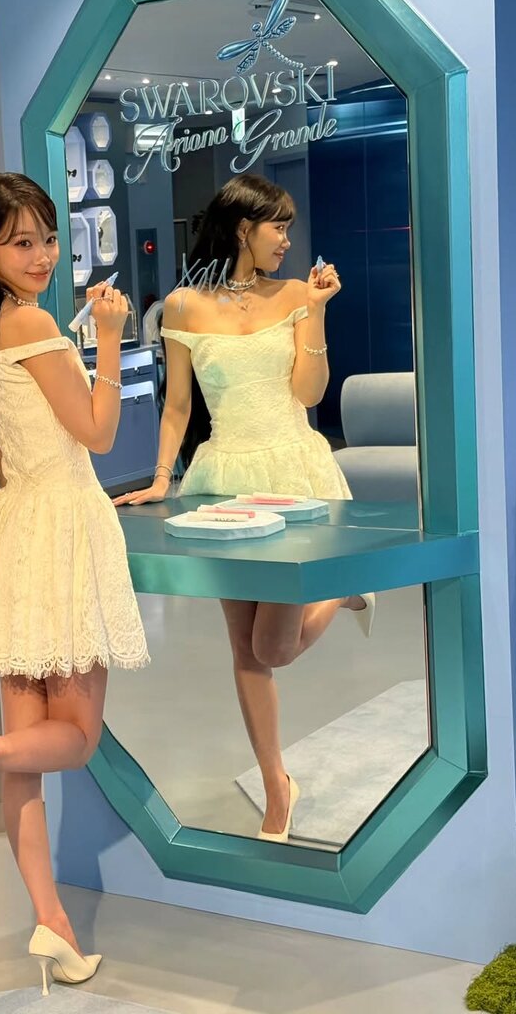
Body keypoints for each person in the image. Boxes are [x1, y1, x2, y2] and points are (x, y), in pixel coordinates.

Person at [0, 172, 149, 995]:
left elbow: (1, 452)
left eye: (49, 239)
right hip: (61, 529)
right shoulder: (32, 322)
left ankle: (52, 922)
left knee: (32, 757)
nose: (44, 255)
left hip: (16, 529)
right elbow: (97, 431)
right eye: (23, 242)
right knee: (75, 738)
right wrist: (112, 338)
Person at [114, 173, 373, 844]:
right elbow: (177, 406)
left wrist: (317, 311)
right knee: (246, 650)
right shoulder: (182, 306)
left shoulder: (297, 295)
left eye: (287, 227)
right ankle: (276, 786)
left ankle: (345, 591)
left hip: (293, 473)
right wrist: (162, 478)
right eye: (277, 227)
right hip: (223, 478)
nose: (287, 240)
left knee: (273, 647)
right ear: (242, 228)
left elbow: (309, 392)